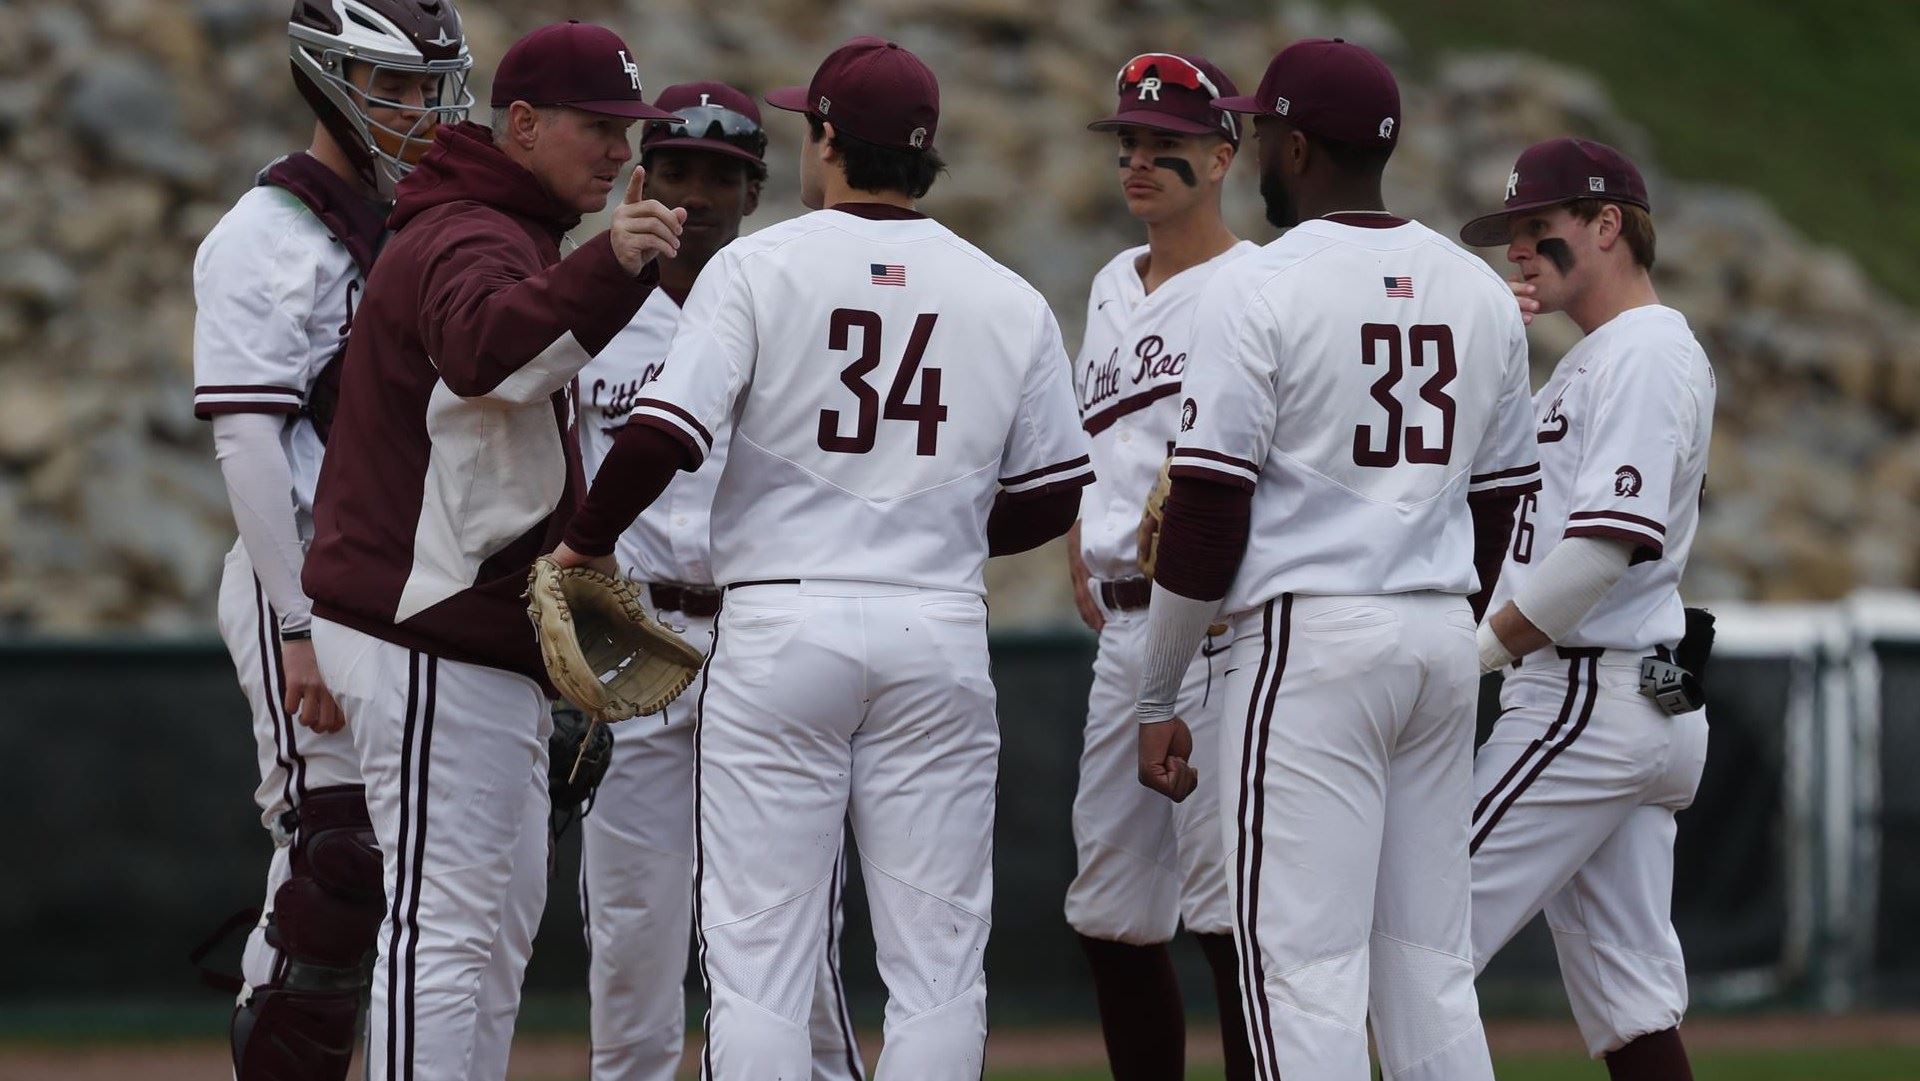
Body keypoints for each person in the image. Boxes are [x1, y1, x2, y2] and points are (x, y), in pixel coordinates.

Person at [550, 36, 1093, 1080]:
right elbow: (1054, 494)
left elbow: (664, 437)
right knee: (935, 969)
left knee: (758, 959)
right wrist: (926, 530)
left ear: (829, 140)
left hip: (780, 622)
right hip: (932, 622)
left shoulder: (760, 266)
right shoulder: (1006, 293)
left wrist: (581, 541)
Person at [1130, 38, 1541, 1081]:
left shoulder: (1259, 284)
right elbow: (1503, 510)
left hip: (1311, 642)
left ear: (1296, 146)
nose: (1262, 147)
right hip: (1440, 633)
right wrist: (1445, 618)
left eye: (1265, 131)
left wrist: (1157, 689)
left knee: (1301, 974)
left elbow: (1209, 516)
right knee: (1430, 970)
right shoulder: (1480, 290)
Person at [298, 21, 686, 1081]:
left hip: (459, 637)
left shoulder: (500, 229)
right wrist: (613, 264)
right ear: (521, 124)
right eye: (596, 128)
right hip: (420, 631)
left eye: (628, 131)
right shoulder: (467, 231)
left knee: (491, 925)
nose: (619, 151)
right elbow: (483, 353)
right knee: (447, 925)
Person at [191, 1, 470, 1076]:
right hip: (308, 576)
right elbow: (249, 448)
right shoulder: (265, 236)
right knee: (338, 855)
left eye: (428, 85)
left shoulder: (429, 223)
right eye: (393, 86)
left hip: (419, 578)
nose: (419, 110)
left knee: (411, 864)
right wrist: (297, 622)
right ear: (327, 79)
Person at [572, 79, 862, 1081]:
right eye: (681, 168)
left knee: (789, 919)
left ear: (754, 190)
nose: (698, 193)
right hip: (630, 630)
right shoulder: (593, 302)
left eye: (724, 174)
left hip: (756, 631)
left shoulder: (789, 304)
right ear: (643, 176)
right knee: (633, 926)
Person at [1462, 137, 1715, 1081]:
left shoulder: (1646, 352)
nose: (1519, 248)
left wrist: (1473, 655)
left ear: (1608, 224)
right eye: (1512, 233)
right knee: (1633, 1010)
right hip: (1627, 696)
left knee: (1413, 942)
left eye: (1540, 227)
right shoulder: (1598, 355)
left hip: (1584, 694)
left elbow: (1604, 549)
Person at [1064, 51, 1257, 1081]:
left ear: (1223, 155)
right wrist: (1079, 529)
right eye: (1130, 142)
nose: (1139, 160)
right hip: (1125, 625)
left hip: (1218, 626)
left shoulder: (1258, 283)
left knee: (1225, 906)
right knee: (1109, 907)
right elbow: (1104, 437)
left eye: (1167, 146)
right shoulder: (1111, 283)